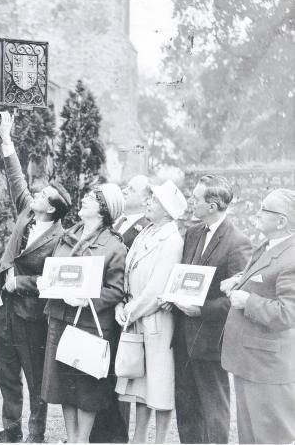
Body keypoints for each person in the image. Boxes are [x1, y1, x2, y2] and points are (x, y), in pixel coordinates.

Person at [0, 111, 72, 443]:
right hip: (6, 311)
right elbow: (16, 180)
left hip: (32, 316)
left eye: (42, 196)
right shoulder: (27, 212)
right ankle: (11, 432)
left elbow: (54, 281)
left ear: (51, 209)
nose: (35, 195)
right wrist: (7, 142)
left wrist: (20, 282)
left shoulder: (61, 239)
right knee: (8, 375)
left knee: (36, 378)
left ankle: (35, 435)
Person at [40, 183, 127, 443]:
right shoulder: (69, 234)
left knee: (87, 390)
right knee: (64, 387)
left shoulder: (113, 245)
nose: (84, 200)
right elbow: (55, 269)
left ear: (103, 209)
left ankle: (82, 440)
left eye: (90, 198)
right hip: (61, 319)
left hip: (91, 324)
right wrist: (47, 283)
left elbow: (116, 289)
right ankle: (72, 438)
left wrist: (87, 300)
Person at [173, 175, 252, 444]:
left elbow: (237, 297)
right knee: (185, 404)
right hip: (183, 334)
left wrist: (202, 310)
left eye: (195, 199)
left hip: (211, 340)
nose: (190, 203)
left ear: (213, 205)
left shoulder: (237, 241)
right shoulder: (193, 233)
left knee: (213, 407)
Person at [221, 188, 295, 444]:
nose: (258, 213)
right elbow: (265, 278)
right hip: (251, 362)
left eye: (265, 209)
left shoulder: (292, 257)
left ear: (282, 221)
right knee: (251, 437)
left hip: (268, 368)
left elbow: (288, 313)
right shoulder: (270, 246)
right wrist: (239, 281)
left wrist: (248, 300)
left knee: (272, 438)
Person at [115, 180, 186, 443]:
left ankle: (160, 440)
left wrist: (130, 310)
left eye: (154, 200)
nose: (148, 202)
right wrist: (122, 303)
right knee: (141, 385)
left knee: (160, 386)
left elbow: (157, 290)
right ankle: (139, 437)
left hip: (157, 322)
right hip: (136, 315)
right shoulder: (146, 232)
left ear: (167, 210)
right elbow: (128, 271)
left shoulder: (172, 240)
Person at [90, 174, 151, 444]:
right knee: (100, 372)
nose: (126, 190)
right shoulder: (118, 223)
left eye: (132, 188)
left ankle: (114, 436)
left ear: (146, 197)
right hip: (103, 309)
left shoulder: (144, 228)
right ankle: (98, 433)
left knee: (118, 374)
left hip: (122, 310)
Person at [117, 175, 152, 249]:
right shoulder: (114, 218)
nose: (124, 191)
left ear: (145, 200)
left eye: (132, 189)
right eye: (127, 187)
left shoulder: (147, 230)